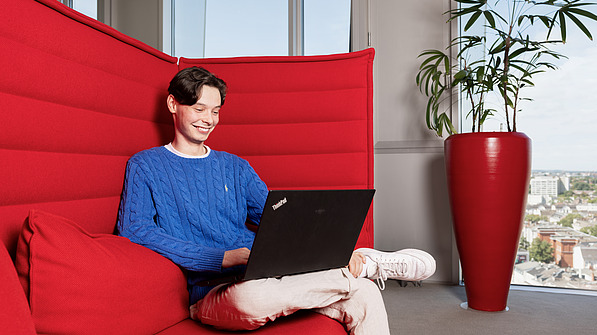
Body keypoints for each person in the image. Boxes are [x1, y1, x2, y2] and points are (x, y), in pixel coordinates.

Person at [117, 66, 436, 334]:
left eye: (215, 111)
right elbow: (135, 230)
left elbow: (280, 222)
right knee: (249, 300)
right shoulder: (146, 165)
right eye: (199, 109)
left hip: (269, 276)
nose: (209, 119)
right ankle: (363, 267)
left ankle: (353, 265)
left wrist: (327, 247)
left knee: (364, 295)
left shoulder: (235, 167)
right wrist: (224, 258)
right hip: (214, 291)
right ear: (173, 104)